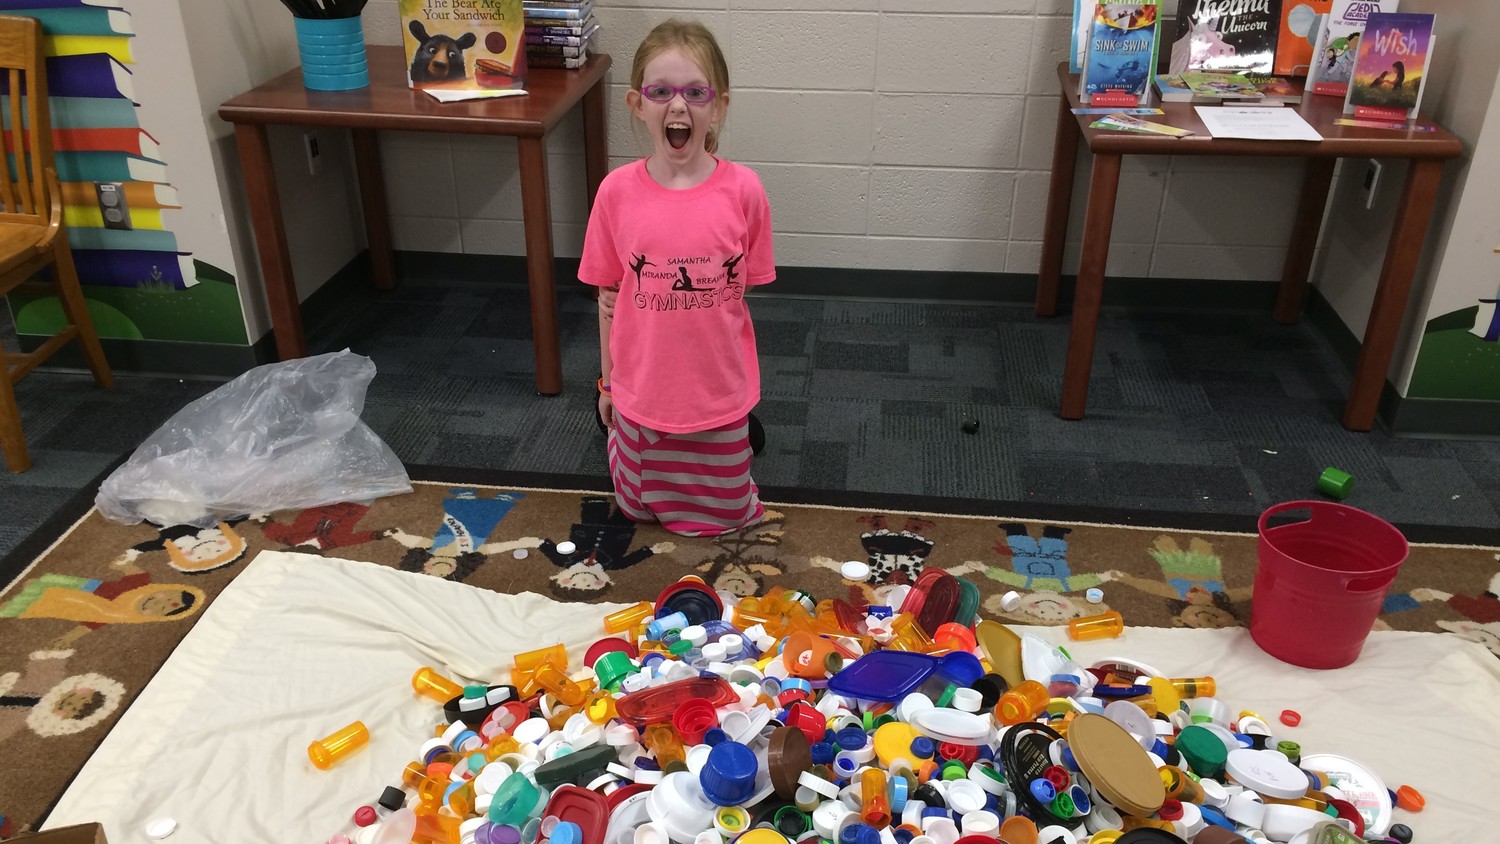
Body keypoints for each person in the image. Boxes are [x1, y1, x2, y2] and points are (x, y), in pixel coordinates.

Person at [579, 19, 775, 537]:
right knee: (635, 509)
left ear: (719, 106)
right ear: (636, 104)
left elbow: (739, 291)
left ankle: (735, 432)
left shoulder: (745, 191)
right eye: (660, 92)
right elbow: (608, 298)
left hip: (718, 393)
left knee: (731, 514)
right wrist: (608, 385)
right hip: (641, 393)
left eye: (695, 92)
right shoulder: (615, 192)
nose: (678, 106)